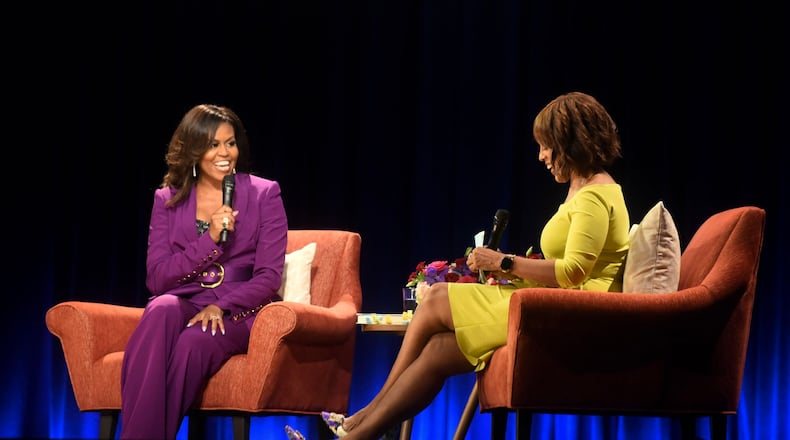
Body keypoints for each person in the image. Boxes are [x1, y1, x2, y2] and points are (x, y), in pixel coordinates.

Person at [284, 91, 630, 440]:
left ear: (570, 142)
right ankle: (360, 430)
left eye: (546, 145)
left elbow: (573, 273)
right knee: (436, 352)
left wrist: (504, 262)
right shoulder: (582, 189)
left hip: (564, 314)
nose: (541, 156)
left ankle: (364, 417)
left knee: (436, 297)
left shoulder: (595, 197)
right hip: (549, 304)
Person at [120, 104, 288, 439]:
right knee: (160, 308)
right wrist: (209, 240)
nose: (225, 153)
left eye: (230, 143)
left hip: (239, 309)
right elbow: (157, 278)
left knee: (194, 343)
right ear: (193, 150)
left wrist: (221, 306)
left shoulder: (263, 193)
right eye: (213, 145)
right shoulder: (167, 199)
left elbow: (268, 277)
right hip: (185, 300)